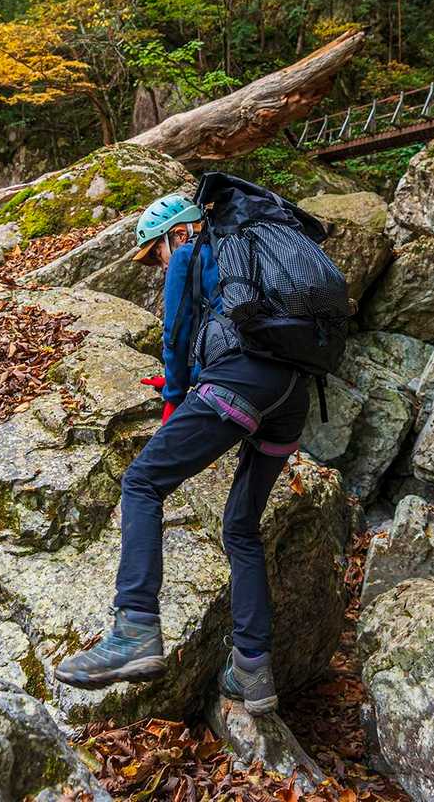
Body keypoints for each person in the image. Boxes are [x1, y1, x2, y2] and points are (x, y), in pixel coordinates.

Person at [52, 192, 310, 715]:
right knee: (241, 528)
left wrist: (174, 399)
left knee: (142, 482)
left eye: (156, 253)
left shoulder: (191, 252)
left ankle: (135, 629)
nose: (159, 265)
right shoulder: (254, 255)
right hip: (292, 395)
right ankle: (253, 670)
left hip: (238, 384)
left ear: (177, 233)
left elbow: (175, 336)